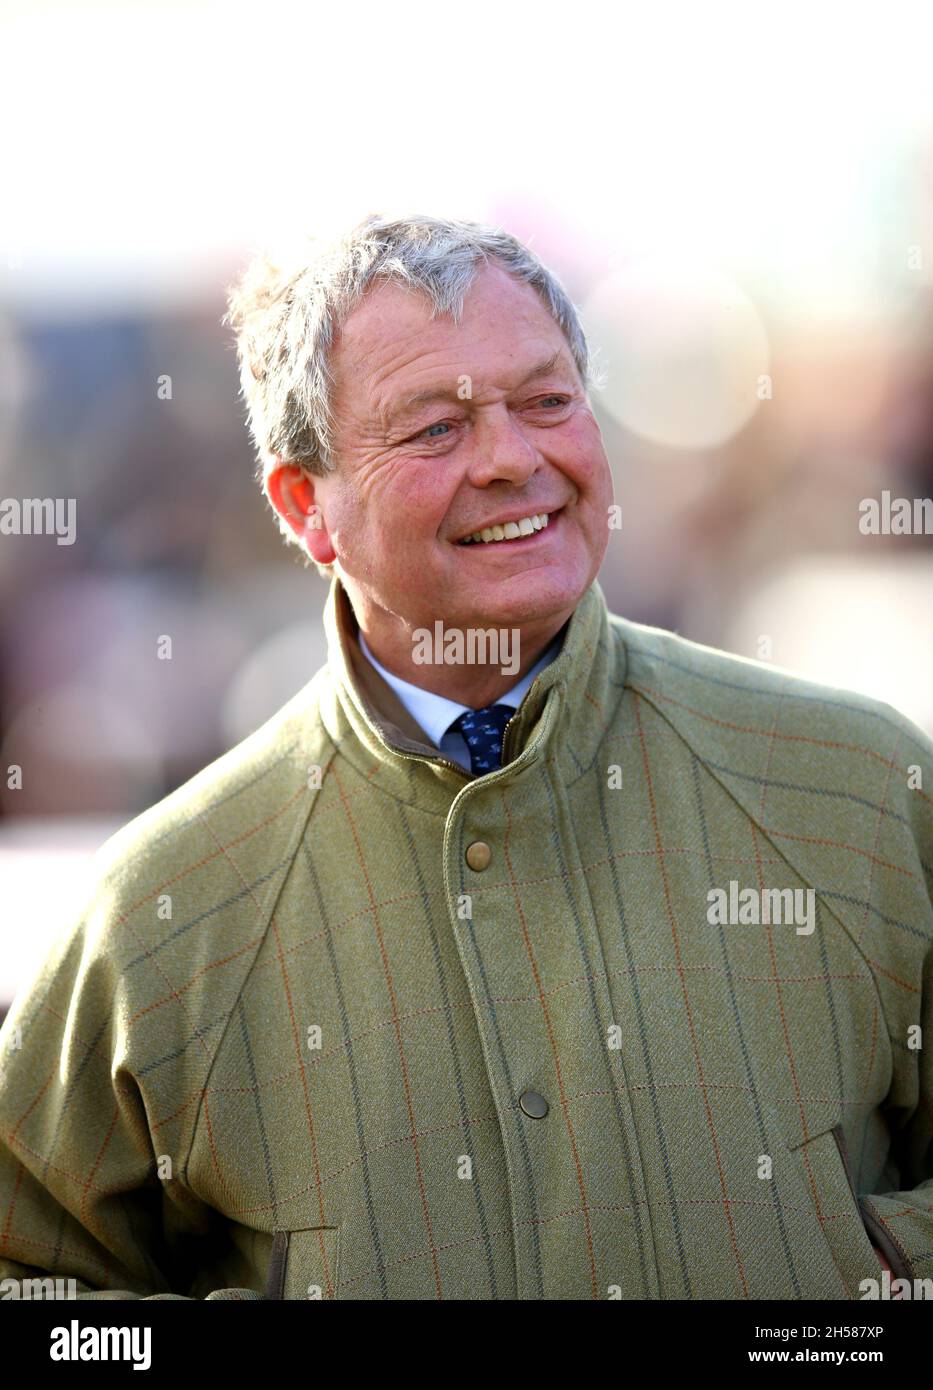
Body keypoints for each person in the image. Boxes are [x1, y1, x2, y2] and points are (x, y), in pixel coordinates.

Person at [0, 214, 929, 1301]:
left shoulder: (856, 790)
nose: (511, 459)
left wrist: (873, 1278)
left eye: (546, 401)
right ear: (307, 508)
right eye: (435, 428)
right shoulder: (168, 907)